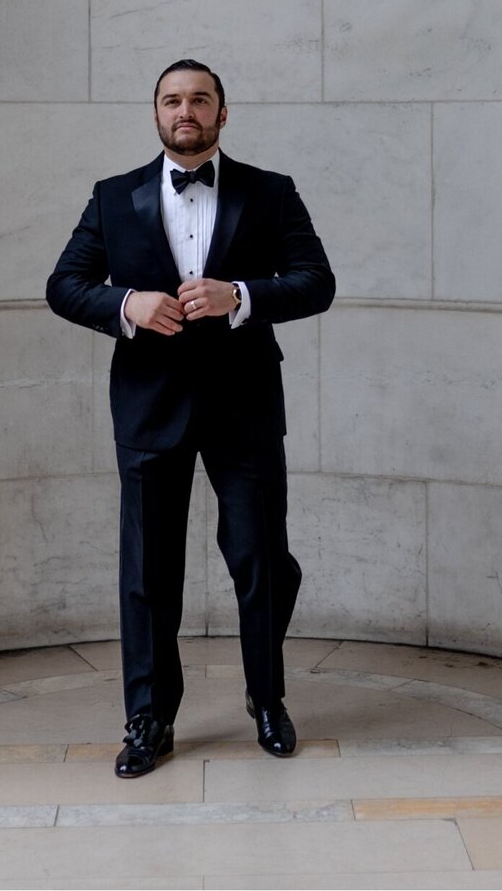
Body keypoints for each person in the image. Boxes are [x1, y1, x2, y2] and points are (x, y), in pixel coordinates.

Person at [46, 58, 335, 778]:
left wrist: (240, 294)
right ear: (155, 114)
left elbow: (316, 281)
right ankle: (149, 718)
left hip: (245, 405)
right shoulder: (114, 197)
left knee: (262, 561)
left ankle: (267, 698)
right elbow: (63, 285)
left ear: (222, 113)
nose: (186, 110)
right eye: (172, 100)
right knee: (147, 572)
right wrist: (127, 307)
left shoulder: (271, 192)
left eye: (199, 99)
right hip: (149, 409)